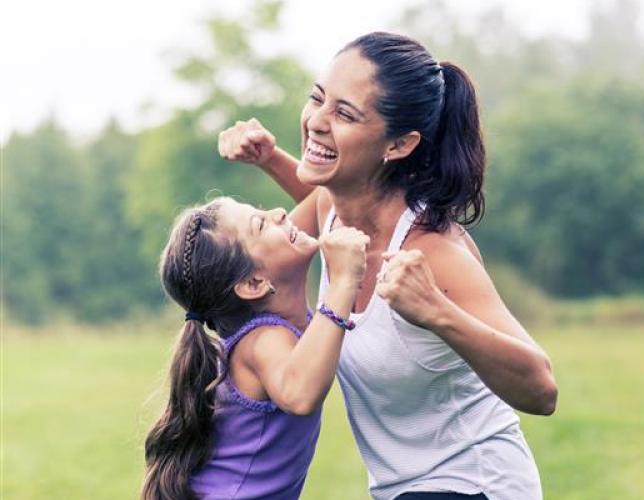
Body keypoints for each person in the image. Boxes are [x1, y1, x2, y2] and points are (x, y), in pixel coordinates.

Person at [217, 32, 558, 499]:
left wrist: (436, 310)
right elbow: (289, 239)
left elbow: (541, 389)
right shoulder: (332, 211)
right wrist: (270, 158)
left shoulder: (433, 253)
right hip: (400, 488)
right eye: (317, 98)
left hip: (474, 482)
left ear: (398, 144)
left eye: (345, 113)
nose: (316, 120)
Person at [142, 196, 370, 500]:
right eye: (260, 223)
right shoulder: (262, 340)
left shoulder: (273, 311)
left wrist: (275, 160)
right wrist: (343, 282)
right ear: (253, 283)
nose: (280, 212)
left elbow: (326, 195)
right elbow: (299, 395)